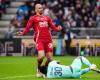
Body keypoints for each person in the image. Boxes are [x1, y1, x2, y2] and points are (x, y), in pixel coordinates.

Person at [17, 3, 62, 77]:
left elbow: (54, 28)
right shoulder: (33, 18)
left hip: (48, 40)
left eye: (42, 8)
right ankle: (38, 69)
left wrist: (58, 29)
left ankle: (44, 70)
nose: (41, 9)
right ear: (36, 9)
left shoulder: (47, 18)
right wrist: (22, 33)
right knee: (41, 56)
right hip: (40, 39)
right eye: (39, 8)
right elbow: (27, 27)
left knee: (50, 59)